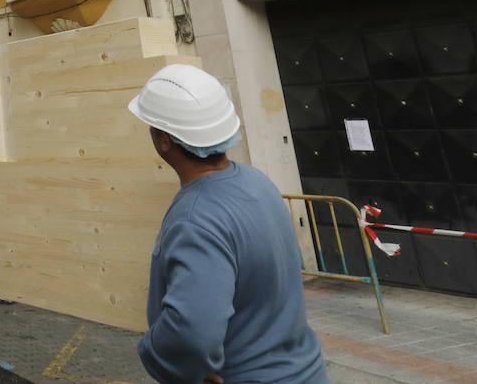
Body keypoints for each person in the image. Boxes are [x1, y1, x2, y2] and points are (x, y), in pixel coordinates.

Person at [128, 64, 328, 384]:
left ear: (164, 140)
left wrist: (161, 354)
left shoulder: (195, 218)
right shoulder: (256, 181)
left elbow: (192, 333)